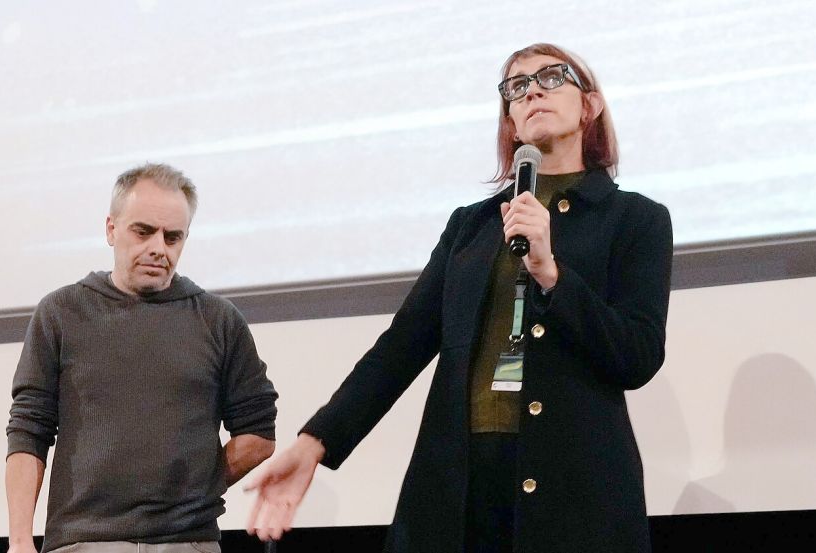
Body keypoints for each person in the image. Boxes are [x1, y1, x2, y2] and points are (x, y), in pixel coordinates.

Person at [245, 43, 673, 553]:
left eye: (553, 77)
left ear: (590, 107)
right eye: (516, 87)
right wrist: (315, 443)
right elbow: (402, 345)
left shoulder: (636, 219)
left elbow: (638, 356)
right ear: (512, 124)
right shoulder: (471, 226)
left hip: (574, 491)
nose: (533, 89)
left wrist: (552, 273)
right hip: (459, 487)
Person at [5, 163, 278, 553]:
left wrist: (192, 488)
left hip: (187, 542)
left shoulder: (218, 320)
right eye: (143, 231)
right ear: (111, 229)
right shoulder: (61, 312)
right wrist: (19, 541)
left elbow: (258, 433)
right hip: (83, 541)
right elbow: (29, 430)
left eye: (173, 237)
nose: (158, 248)